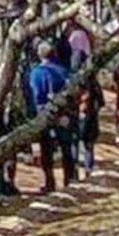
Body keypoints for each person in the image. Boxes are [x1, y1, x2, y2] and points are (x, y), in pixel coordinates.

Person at [28, 40, 76, 192]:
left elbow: (35, 96)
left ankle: (50, 182)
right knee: (66, 147)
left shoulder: (36, 73)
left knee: (46, 149)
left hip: (44, 114)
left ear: (39, 55)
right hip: (63, 113)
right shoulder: (63, 71)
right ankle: (69, 180)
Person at [78, 66, 104, 175]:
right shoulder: (95, 85)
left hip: (77, 117)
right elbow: (101, 102)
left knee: (75, 143)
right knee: (89, 144)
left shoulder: (75, 84)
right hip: (91, 117)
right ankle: (88, 167)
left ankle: (74, 171)